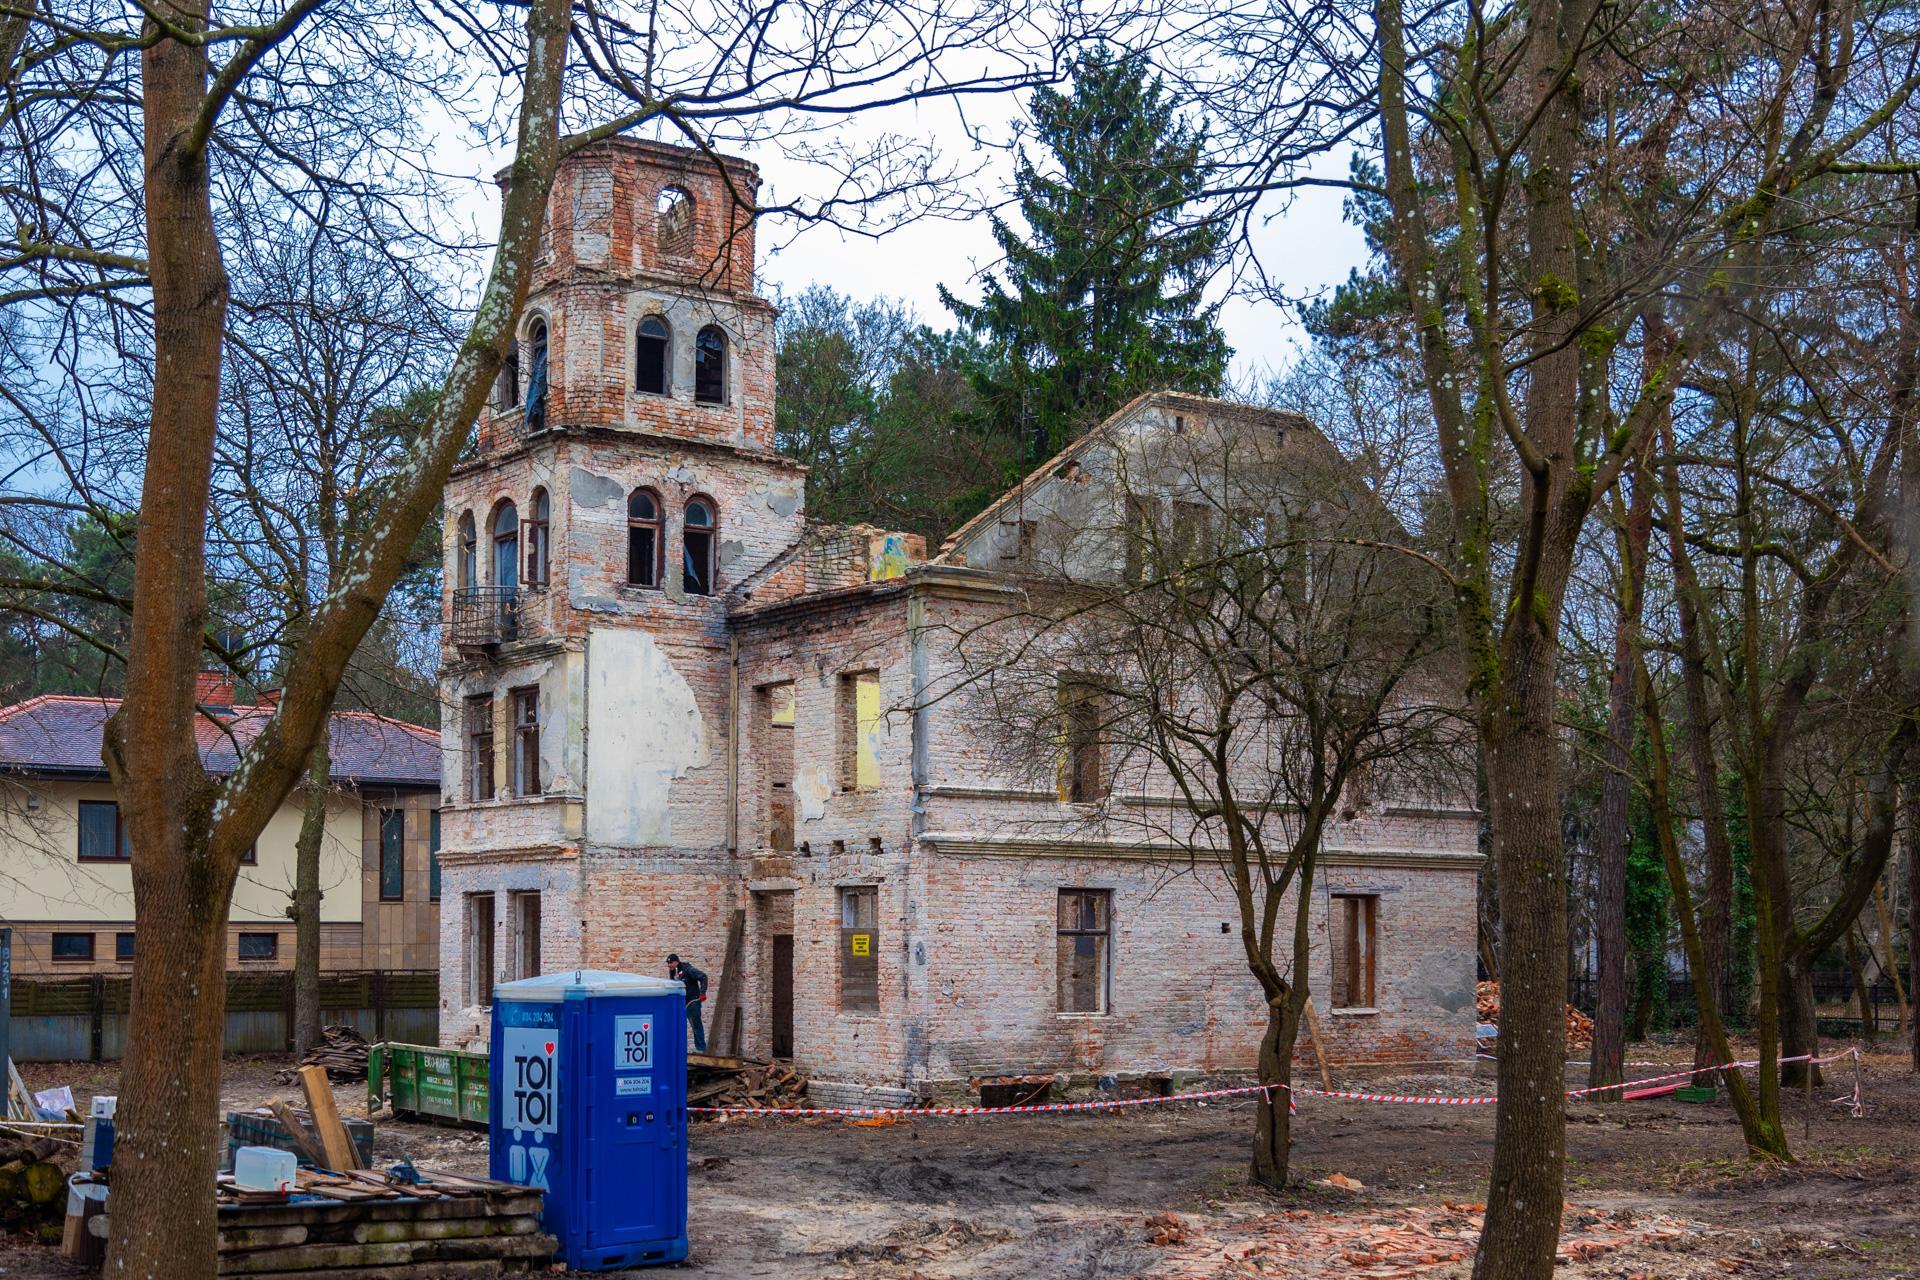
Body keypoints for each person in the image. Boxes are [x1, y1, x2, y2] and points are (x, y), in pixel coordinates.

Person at [667, 954, 709, 1053]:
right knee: (679, 1026)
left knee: (696, 1026)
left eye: (671, 963)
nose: (669, 965)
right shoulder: (673, 971)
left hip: (693, 1001)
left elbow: (703, 976)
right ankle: (679, 1050)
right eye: (668, 963)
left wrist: (702, 992)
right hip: (682, 1003)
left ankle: (701, 1050)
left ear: (676, 961)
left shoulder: (688, 969)